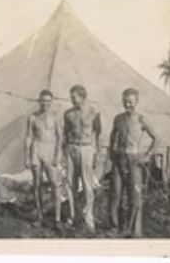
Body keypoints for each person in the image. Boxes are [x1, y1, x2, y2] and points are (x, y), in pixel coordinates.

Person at [109, 88, 159, 237]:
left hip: (134, 160)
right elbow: (113, 135)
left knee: (135, 197)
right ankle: (114, 227)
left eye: (131, 101)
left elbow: (157, 138)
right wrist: (112, 151)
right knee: (116, 194)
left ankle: (133, 232)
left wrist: (147, 155)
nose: (128, 104)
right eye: (125, 101)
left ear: (136, 102)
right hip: (119, 159)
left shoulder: (141, 119)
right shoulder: (118, 118)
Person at [63, 85, 101, 232]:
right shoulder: (68, 114)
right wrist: (64, 153)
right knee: (70, 184)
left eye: (75, 97)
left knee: (87, 184)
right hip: (71, 148)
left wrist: (97, 153)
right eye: (71, 96)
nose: (72, 99)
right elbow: (66, 133)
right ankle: (73, 216)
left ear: (83, 97)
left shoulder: (93, 112)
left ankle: (88, 217)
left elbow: (98, 134)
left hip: (86, 148)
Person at [24, 89, 64, 228]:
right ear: (39, 101)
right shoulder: (33, 117)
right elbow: (29, 137)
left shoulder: (55, 117)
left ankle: (57, 218)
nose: (45, 104)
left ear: (51, 102)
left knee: (55, 184)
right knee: (37, 185)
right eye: (43, 101)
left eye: (48, 101)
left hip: (50, 150)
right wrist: (27, 156)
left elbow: (60, 137)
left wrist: (57, 155)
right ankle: (40, 217)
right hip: (36, 149)